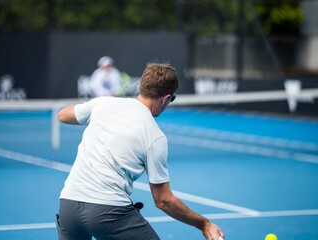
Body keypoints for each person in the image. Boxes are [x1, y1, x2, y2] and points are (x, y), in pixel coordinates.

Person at [56, 63, 224, 240]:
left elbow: (62, 115)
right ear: (166, 98)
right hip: (109, 212)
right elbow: (163, 200)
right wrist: (204, 224)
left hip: (69, 207)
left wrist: (93, 113)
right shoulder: (155, 136)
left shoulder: (102, 103)